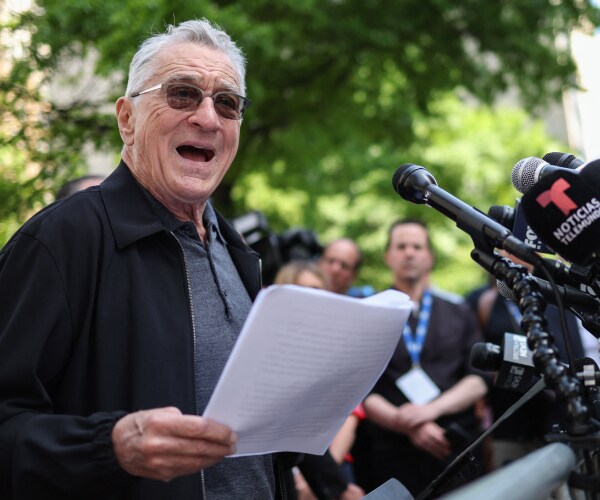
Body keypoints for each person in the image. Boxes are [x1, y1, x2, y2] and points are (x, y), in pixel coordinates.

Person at [0, 19, 294, 499]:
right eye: (181, 94)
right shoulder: (61, 239)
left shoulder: (236, 250)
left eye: (227, 103)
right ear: (126, 119)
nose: (208, 118)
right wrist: (109, 448)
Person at [352, 219, 488, 496]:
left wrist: (430, 412)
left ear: (429, 257)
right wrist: (406, 424)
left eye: (417, 246)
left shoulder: (458, 310)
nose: (409, 253)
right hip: (391, 453)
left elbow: (478, 380)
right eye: (401, 246)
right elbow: (362, 388)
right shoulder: (371, 312)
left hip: (453, 447)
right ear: (388, 256)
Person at [273, 261, 365, 500]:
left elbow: (352, 414)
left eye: (317, 291)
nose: (311, 299)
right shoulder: (270, 348)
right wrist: (304, 478)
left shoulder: (339, 348)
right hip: (287, 472)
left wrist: (326, 480)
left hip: (332, 467)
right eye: (301, 290)